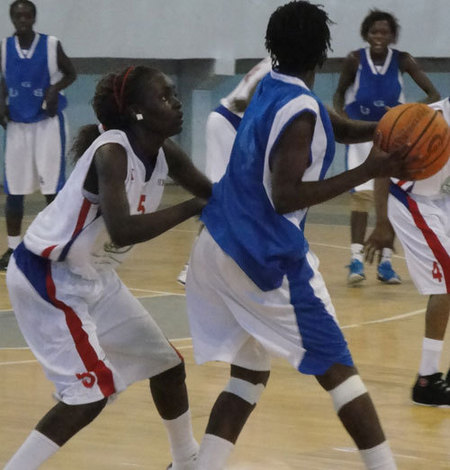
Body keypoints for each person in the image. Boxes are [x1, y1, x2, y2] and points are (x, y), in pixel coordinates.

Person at [184, 2, 421, 469]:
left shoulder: (276, 88)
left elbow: (343, 126)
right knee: (338, 368)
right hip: (261, 256)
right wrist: (369, 170)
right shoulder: (301, 113)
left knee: (249, 371)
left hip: (215, 247)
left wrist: (393, 130)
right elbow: (285, 197)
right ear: (324, 51)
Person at [3, 65, 212, 470]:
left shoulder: (164, 152)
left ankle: (186, 462)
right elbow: (123, 229)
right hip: (46, 277)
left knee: (167, 366)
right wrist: (191, 208)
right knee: (90, 393)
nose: (176, 103)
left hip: (93, 277)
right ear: (136, 111)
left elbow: (212, 194)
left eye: (173, 94)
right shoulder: (112, 152)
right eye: (164, 97)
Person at [333, 8, 440, 285]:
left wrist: (410, 114)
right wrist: (343, 122)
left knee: (390, 198)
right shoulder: (354, 60)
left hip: (392, 137)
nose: (379, 36)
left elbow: (434, 94)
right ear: (366, 34)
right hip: (360, 134)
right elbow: (338, 94)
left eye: (384, 32)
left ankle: (387, 264)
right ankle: (356, 259)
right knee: (362, 196)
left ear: (392, 35)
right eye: (374, 31)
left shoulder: (403, 60)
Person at [365, 97, 450, 406]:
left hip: (443, 199)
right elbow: (381, 163)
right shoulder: (423, 118)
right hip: (411, 199)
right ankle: (427, 380)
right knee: (447, 280)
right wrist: (383, 222)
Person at [177, 57, 271, 285]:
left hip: (230, 124)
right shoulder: (285, 61)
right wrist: (249, 102)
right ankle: (192, 267)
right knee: (218, 198)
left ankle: (246, 259)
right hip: (229, 125)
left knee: (248, 195)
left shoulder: (275, 57)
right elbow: (260, 89)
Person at [0, 0, 77, 271]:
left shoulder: (51, 44)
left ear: (34, 17)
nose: (23, 19)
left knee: (52, 190)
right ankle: (12, 247)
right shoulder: (4, 47)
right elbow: (1, 80)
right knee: (14, 190)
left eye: (27, 15)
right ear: (12, 19)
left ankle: (56, 246)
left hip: (47, 123)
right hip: (18, 125)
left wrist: (55, 89)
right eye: (18, 15)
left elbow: (71, 73)